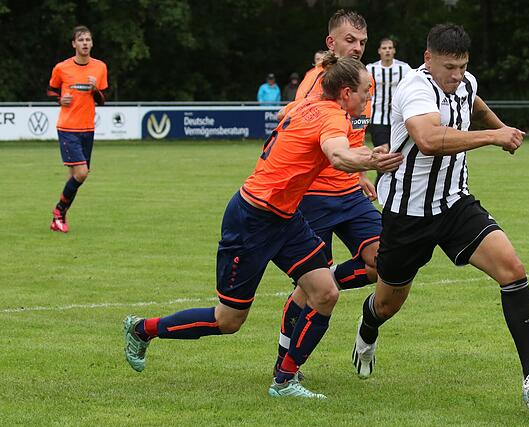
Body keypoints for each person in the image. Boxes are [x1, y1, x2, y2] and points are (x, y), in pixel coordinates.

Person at [122, 55, 402, 400]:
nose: (367, 99)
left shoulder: (310, 103)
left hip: (285, 217)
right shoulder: (331, 116)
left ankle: (284, 381)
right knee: (228, 320)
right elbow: (338, 155)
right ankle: (142, 329)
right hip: (252, 220)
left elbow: (291, 118)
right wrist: (373, 160)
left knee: (325, 291)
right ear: (345, 93)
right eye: (364, 92)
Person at [351, 24, 529, 395]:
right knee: (387, 304)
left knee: (512, 269)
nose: (456, 76)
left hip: (455, 203)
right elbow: (427, 139)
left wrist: (503, 128)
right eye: (449, 67)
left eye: (462, 67)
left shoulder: (464, 82)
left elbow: (474, 102)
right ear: (428, 59)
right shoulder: (415, 86)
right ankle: (368, 326)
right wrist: (492, 137)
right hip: (407, 213)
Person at [272, 9, 380, 380]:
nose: (358, 47)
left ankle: (328, 275)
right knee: (308, 290)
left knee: (386, 261)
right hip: (313, 196)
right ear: (331, 43)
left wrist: (361, 171)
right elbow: (299, 128)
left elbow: (353, 135)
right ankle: (285, 362)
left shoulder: (366, 82)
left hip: (349, 193)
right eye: (350, 40)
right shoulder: (317, 82)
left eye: (363, 42)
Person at [46, 25, 108, 233]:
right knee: (81, 173)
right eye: (81, 40)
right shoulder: (62, 68)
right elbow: (51, 90)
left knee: (76, 175)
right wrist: (59, 99)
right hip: (68, 127)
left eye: (88, 40)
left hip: (87, 128)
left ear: (92, 43)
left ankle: (59, 219)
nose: (85, 43)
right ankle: (58, 211)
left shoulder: (100, 67)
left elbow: (102, 101)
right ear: (74, 44)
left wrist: (95, 89)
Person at [366, 38, 412, 183]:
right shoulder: (370, 69)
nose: (387, 51)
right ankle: (381, 186)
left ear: (394, 51)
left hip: (398, 120)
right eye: (384, 48)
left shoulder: (404, 69)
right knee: (384, 153)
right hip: (377, 118)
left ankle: (389, 186)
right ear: (379, 51)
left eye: (390, 48)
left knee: (396, 154)